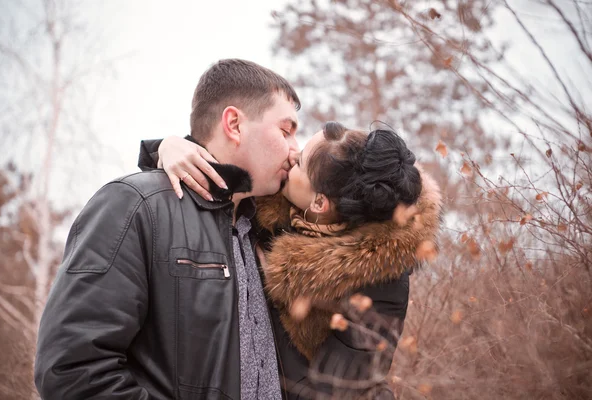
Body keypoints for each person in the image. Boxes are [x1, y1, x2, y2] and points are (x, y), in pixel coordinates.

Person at [34, 59, 302, 400]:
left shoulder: (267, 231)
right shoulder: (135, 206)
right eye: (286, 130)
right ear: (234, 124)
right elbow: (72, 370)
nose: (296, 150)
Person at [142, 122, 443, 399]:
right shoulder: (273, 203)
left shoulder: (381, 279)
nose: (290, 155)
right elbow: (207, 172)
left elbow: (334, 390)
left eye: (300, 162)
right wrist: (170, 147)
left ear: (319, 202)